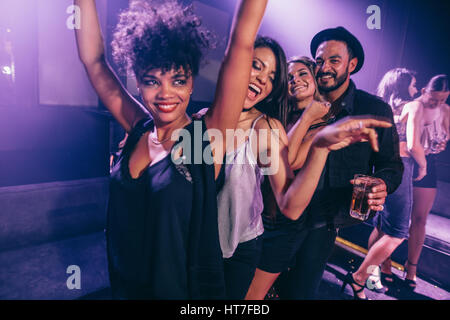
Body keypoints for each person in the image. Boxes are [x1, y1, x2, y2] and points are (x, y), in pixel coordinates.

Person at [75, 0, 269, 299]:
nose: (166, 93)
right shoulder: (138, 127)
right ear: (138, 83)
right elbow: (94, 61)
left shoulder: (201, 141)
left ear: (191, 83)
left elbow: (241, 43)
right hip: (125, 289)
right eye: (152, 81)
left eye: (178, 80)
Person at [269, 26, 404, 300]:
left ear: (351, 65)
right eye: (319, 61)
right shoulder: (294, 104)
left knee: (300, 293)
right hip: (278, 216)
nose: (324, 67)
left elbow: (392, 165)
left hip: (324, 222)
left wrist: (382, 183)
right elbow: (283, 159)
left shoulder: (374, 110)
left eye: (334, 60)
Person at [347, 68, 423, 298]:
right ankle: (360, 276)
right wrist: (424, 163)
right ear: (402, 85)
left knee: (380, 228)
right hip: (400, 168)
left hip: (377, 168)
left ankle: (372, 277)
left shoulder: (379, 105)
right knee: (398, 232)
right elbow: (412, 144)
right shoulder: (413, 106)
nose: (416, 89)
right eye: (412, 85)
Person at [404, 74, 449, 291]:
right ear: (424, 91)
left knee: (420, 219)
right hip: (405, 160)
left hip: (429, 162)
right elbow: (411, 142)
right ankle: (383, 264)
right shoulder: (414, 106)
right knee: (395, 218)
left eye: (443, 100)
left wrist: (441, 144)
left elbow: (445, 137)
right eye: (434, 99)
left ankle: (411, 268)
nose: (438, 104)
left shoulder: (446, 111)